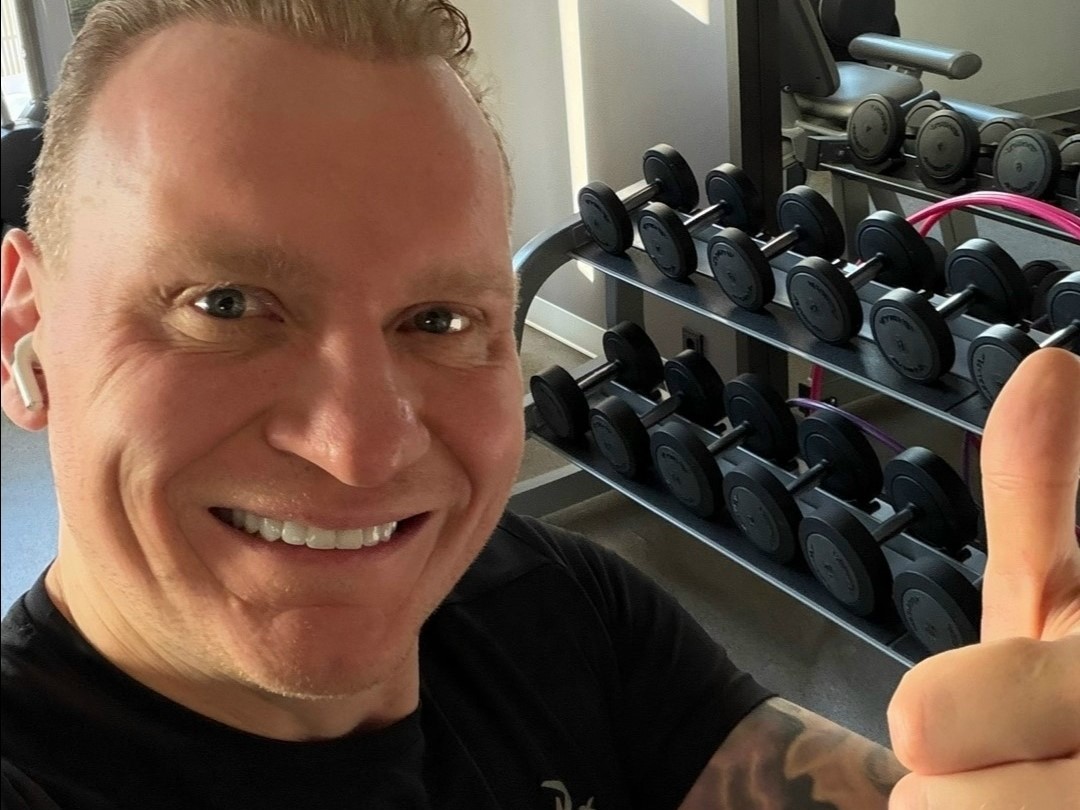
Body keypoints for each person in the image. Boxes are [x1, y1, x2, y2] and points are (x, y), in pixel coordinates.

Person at [1, 1, 1076, 807]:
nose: (361, 449)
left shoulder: (554, 605)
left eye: (437, 320)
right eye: (225, 305)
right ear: (24, 333)